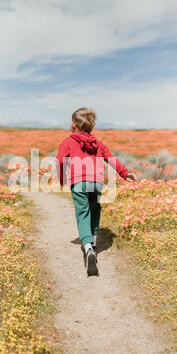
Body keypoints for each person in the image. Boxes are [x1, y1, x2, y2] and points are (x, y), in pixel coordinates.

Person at [56, 107, 136, 276]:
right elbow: (111, 158)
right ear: (91, 127)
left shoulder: (68, 142)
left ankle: (87, 248)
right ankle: (93, 241)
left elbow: (60, 161)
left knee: (82, 213)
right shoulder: (99, 144)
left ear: (73, 126)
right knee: (95, 209)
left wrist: (62, 179)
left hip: (78, 183)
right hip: (96, 182)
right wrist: (125, 173)